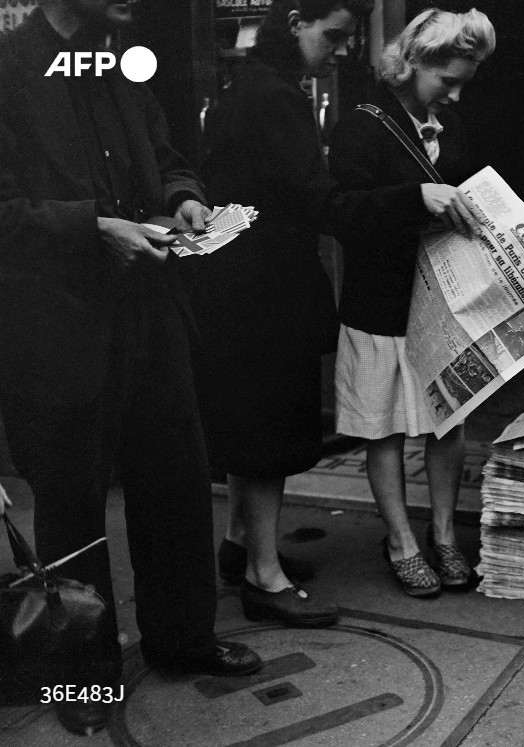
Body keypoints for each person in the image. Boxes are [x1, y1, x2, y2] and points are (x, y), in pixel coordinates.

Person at [0, 0, 263, 736]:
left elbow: (167, 157)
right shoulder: (9, 68)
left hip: (150, 312)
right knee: (71, 502)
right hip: (56, 326)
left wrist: (184, 197)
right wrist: (92, 228)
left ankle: (183, 640)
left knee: (176, 479)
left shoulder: (122, 61)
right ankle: (81, 678)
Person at [195, 0, 422, 629]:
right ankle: (264, 578)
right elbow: (322, 204)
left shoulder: (246, 85)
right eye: (334, 35)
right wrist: (414, 199)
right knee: (270, 436)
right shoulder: (280, 98)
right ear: (295, 22)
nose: (343, 49)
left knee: (250, 427)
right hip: (268, 288)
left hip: (234, 281)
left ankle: (241, 546)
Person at [328, 8, 494, 598]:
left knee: (448, 419)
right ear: (414, 62)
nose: (455, 95)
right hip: (380, 299)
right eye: (447, 80)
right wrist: (414, 198)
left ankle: (444, 535)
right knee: (384, 426)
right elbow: (338, 211)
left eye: (463, 83)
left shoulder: (454, 126)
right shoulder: (360, 125)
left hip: (444, 298)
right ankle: (401, 541)